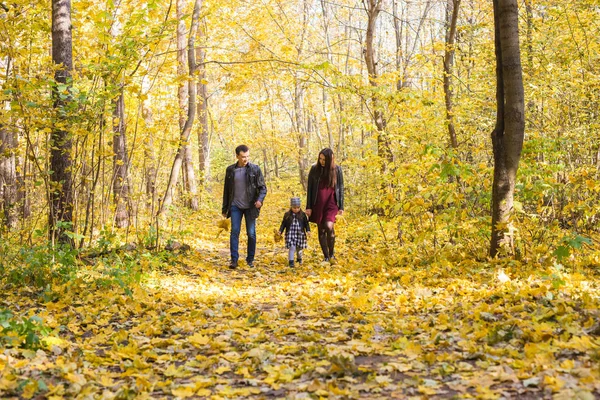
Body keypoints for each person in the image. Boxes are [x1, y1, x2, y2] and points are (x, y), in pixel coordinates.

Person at [222, 144, 267, 269]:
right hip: (235, 206)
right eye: (242, 157)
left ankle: (250, 260)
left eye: (247, 156)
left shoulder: (255, 169)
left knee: (251, 233)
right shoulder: (230, 170)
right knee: (234, 232)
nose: (245, 159)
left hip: (250, 206)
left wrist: (260, 200)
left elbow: (263, 188)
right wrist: (225, 208)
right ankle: (234, 260)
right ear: (237, 156)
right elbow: (227, 190)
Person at [305, 148, 344, 263]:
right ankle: (326, 256)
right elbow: (310, 188)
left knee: (328, 226)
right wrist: (309, 206)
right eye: (320, 159)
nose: (321, 161)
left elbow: (340, 188)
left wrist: (341, 206)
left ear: (330, 160)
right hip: (318, 203)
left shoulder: (337, 170)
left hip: (331, 203)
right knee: (321, 229)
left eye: (324, 159)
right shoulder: (314, 169)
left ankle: (332, 254)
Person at [278, 197, 311, 268]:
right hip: (290, 233)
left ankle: (299, 258)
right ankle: (291, 261)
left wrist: (308, 230)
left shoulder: (302, 215)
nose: (296, 209)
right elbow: (283, 224)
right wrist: (280, 231)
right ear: (291, 207)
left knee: (299, 248)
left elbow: (306, 224)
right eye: (294, 207)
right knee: (292, 247)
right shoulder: (287, 215)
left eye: (298, 207)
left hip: (300, 234)